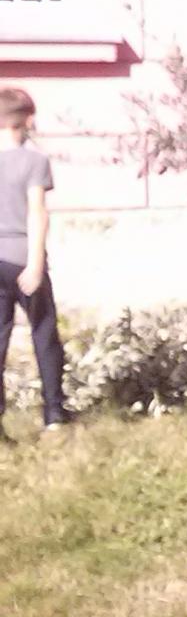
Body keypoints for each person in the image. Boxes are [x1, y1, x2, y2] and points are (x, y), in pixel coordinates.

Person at [0, 87, 67, 438]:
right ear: (25, 120)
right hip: (21, 258)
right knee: (44, 333)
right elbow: (37, 212)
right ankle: (54, 415)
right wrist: (36, 263)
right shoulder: (34, 161)